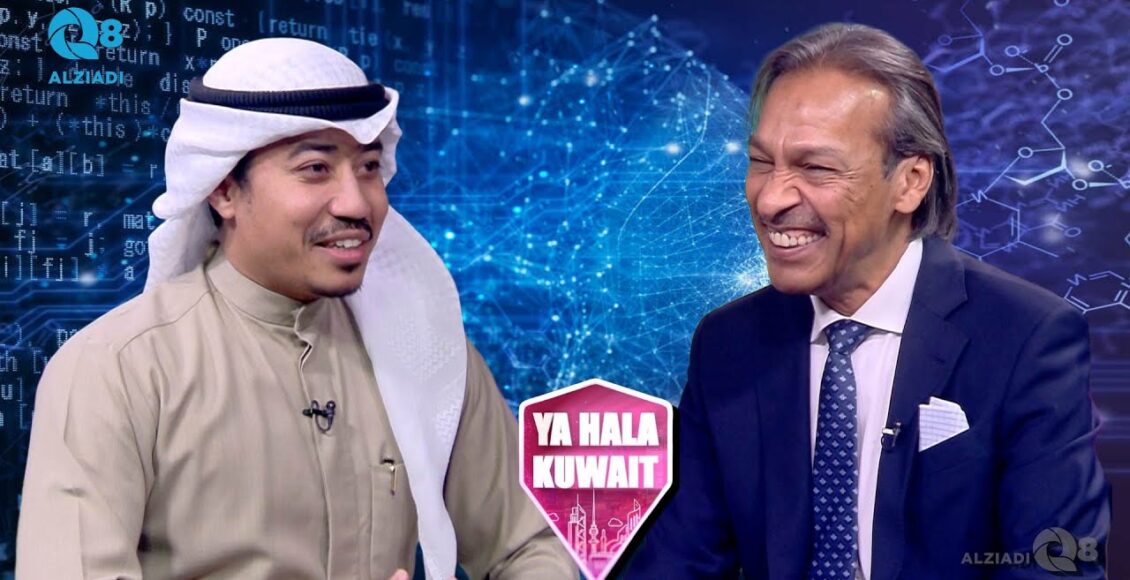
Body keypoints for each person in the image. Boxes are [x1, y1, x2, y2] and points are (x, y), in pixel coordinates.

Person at [17, 38, 575, 580]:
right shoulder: (116, 369)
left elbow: (530, 547)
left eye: (368, 167)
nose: (357, 203)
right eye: (315, 169)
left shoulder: (427, 351)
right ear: (223, 191)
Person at [624, 23, 1110, 579]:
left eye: (816, 167)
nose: (771, 198)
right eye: (761, 162)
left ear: (910, 181)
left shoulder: (1027, 337)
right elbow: (679, 563)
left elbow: (1056, 567)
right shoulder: (727, 344)